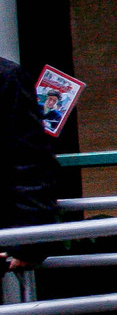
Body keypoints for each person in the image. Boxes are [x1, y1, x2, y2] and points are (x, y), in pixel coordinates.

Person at [0, 57, 59, 272]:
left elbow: (29, 160)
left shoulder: (7, 77)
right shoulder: (7, 76)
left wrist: (28, 242)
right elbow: (29, 161)